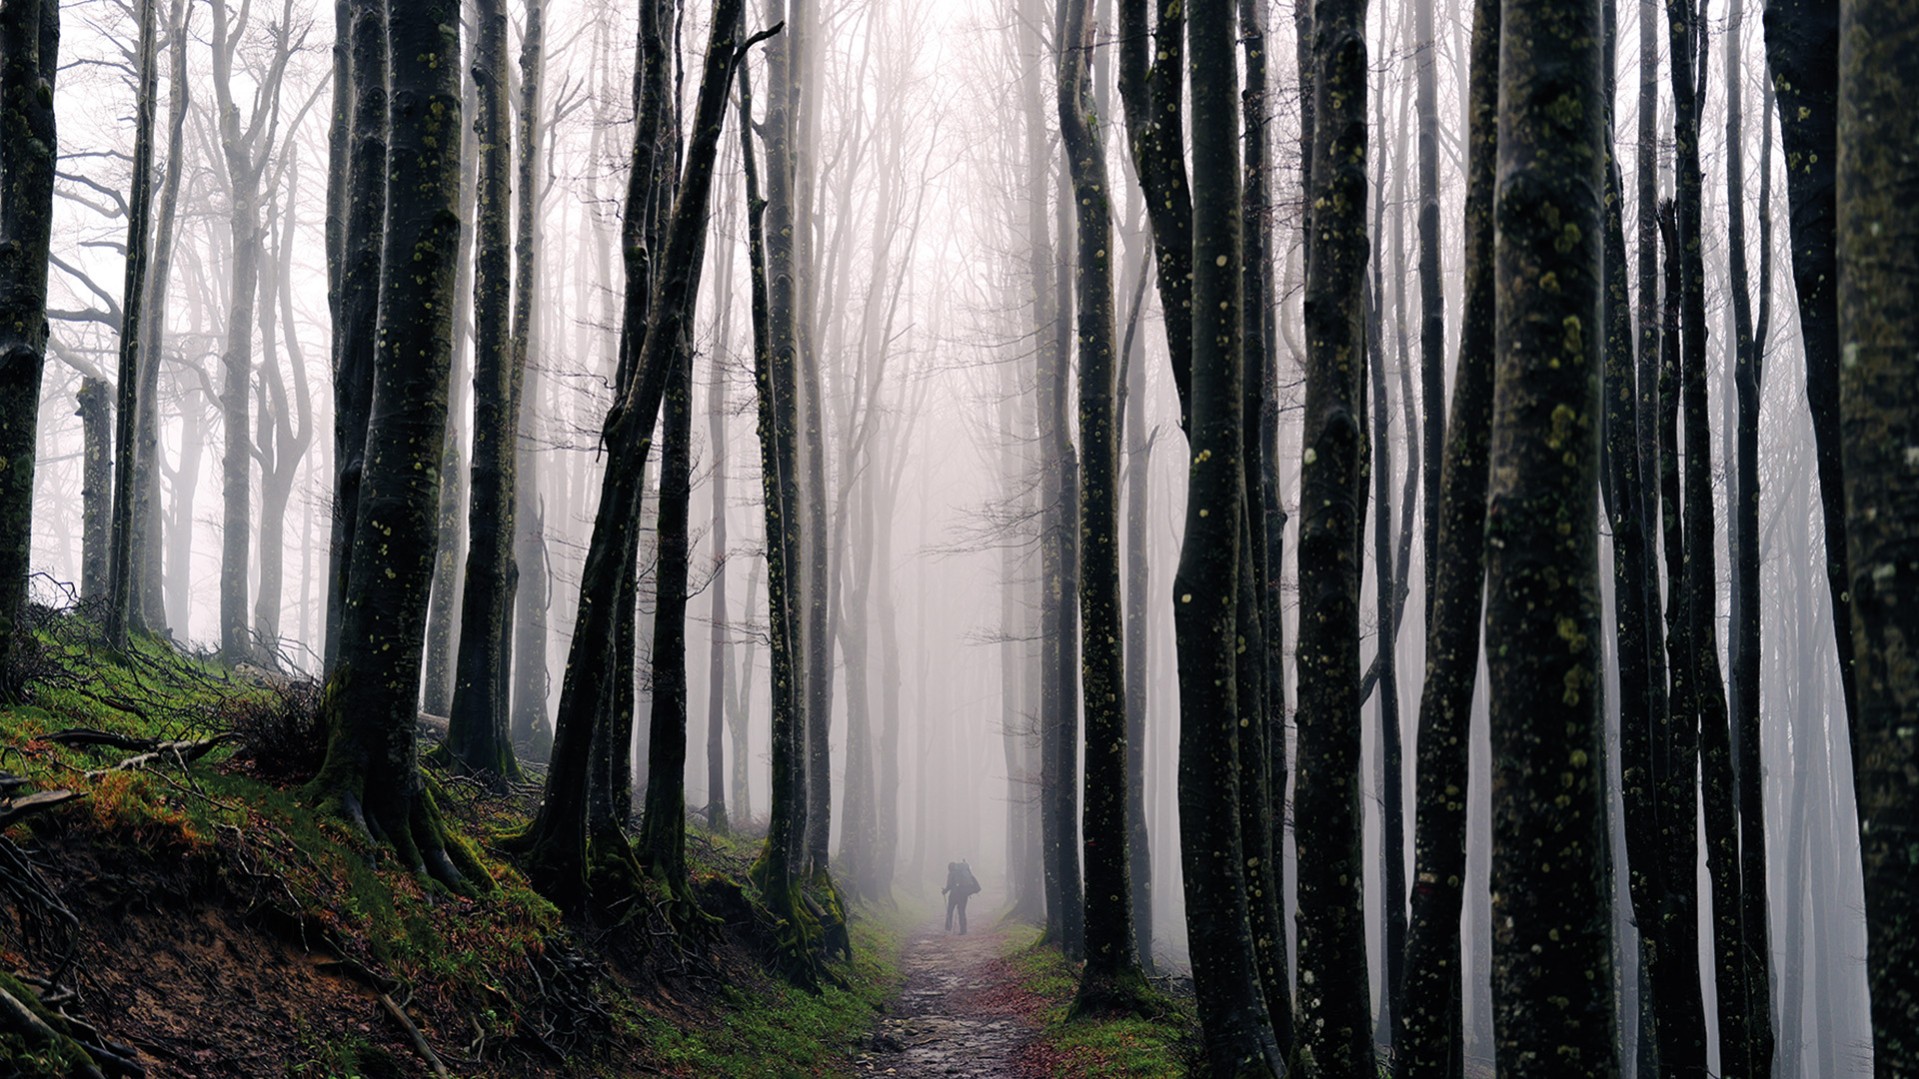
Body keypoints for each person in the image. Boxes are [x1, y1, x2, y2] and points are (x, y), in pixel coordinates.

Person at [942, 860, 980, 934]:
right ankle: (963, 930)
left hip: (954, 895)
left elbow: (949, 885)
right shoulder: (963, 872)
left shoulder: (952, 873)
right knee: (961, 912)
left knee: (950, 910)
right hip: (963, 894)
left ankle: (948, 928)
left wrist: (945, 891)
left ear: (950, 868)